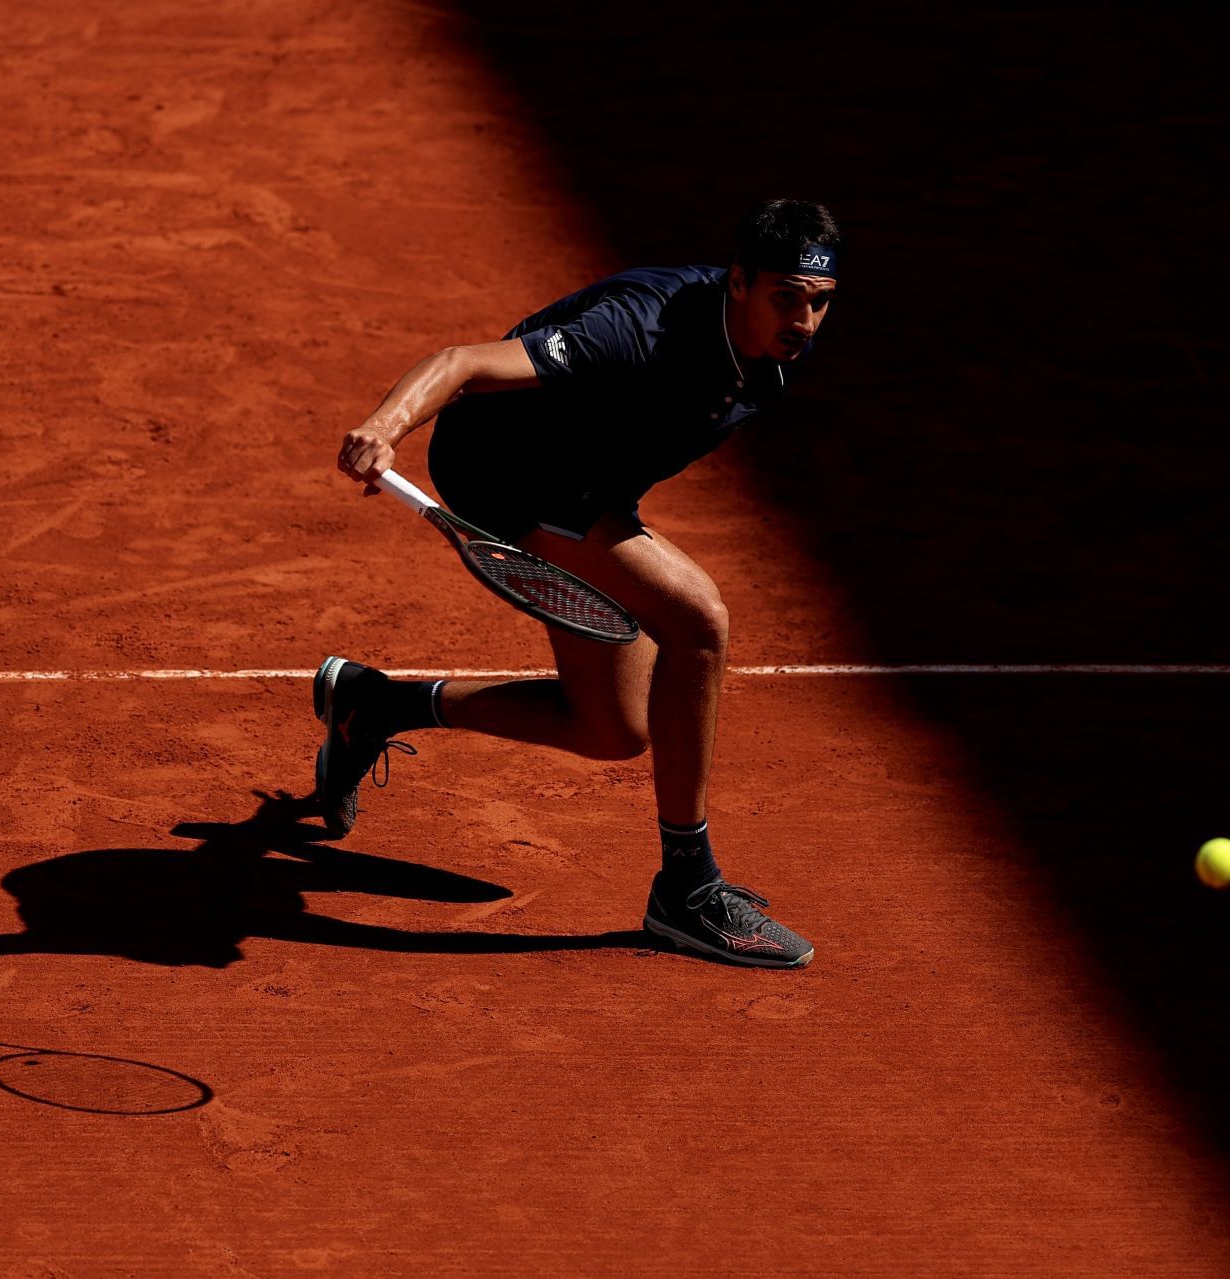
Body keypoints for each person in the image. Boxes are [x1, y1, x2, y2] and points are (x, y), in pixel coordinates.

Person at [317, 199, 841, 969]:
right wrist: (386, 425)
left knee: (611, 730)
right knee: (698, 620)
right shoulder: (637, 328)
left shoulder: (763, 347)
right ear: (738, 282)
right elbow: (463, 362)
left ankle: (374, 704)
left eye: (820, 301)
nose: (804, 318)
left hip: (588, 481)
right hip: (510, 474)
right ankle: (688, 892)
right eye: (787, 295)